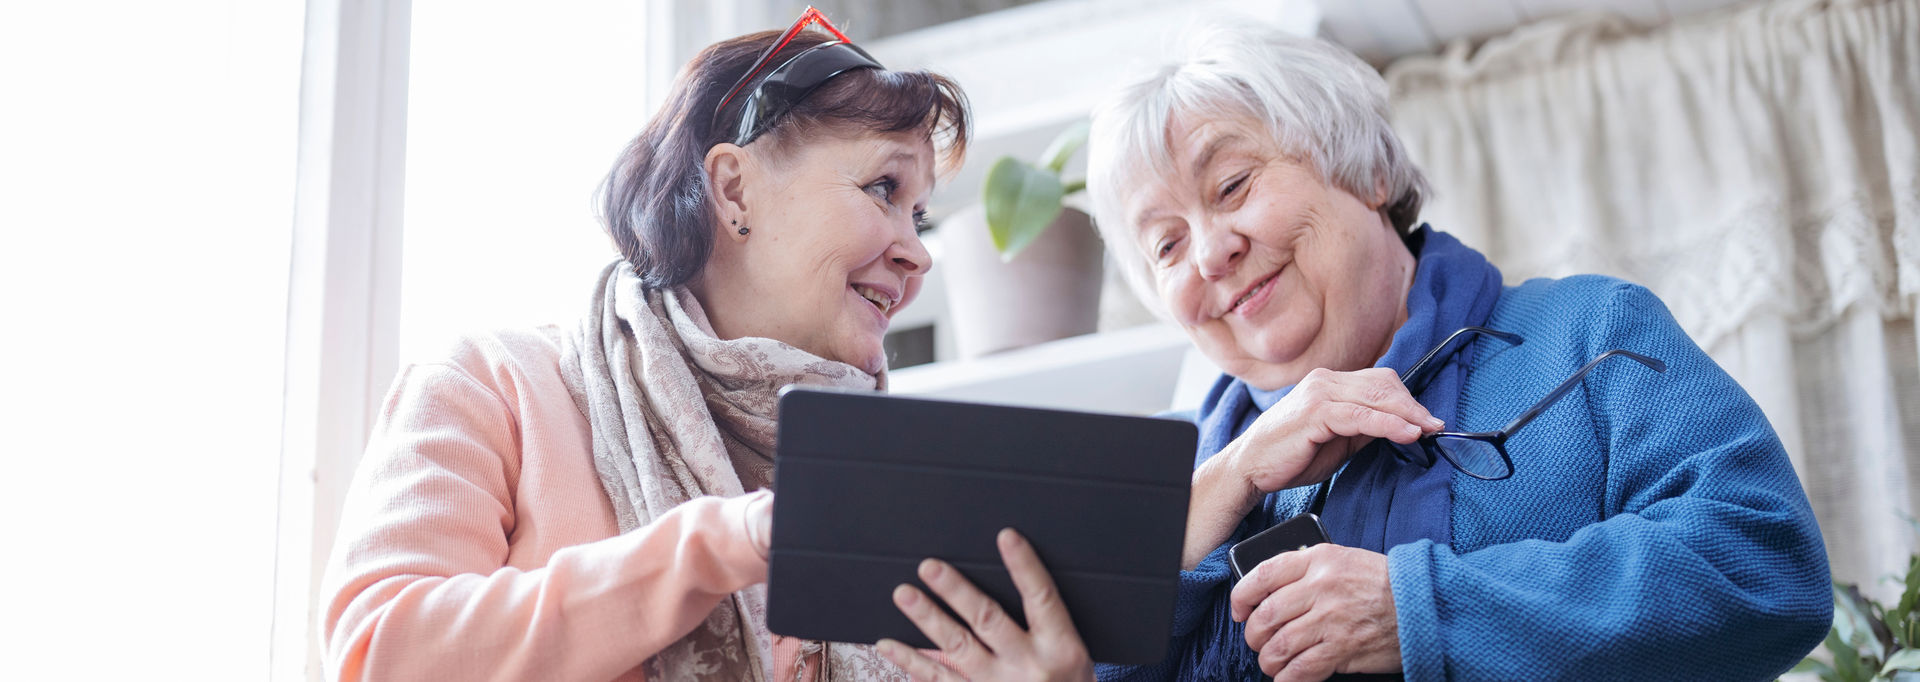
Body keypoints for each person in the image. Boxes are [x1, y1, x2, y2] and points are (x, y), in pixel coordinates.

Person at [877, 22, 1832, 682]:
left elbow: (1763, 564)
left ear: (1367, 171)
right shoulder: (1168, 474)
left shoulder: (1590, 333)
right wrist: (1233, 479)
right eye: (1165, 245)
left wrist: (1420, 611)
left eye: (1233, 184)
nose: (1209, 254)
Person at [318, 8, 968, 681]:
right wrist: (724, 544)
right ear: (734, 190)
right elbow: (381, 656)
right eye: (883, 188)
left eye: (919, 217)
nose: (919, 254)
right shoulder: (492, 387)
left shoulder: (907, 496)